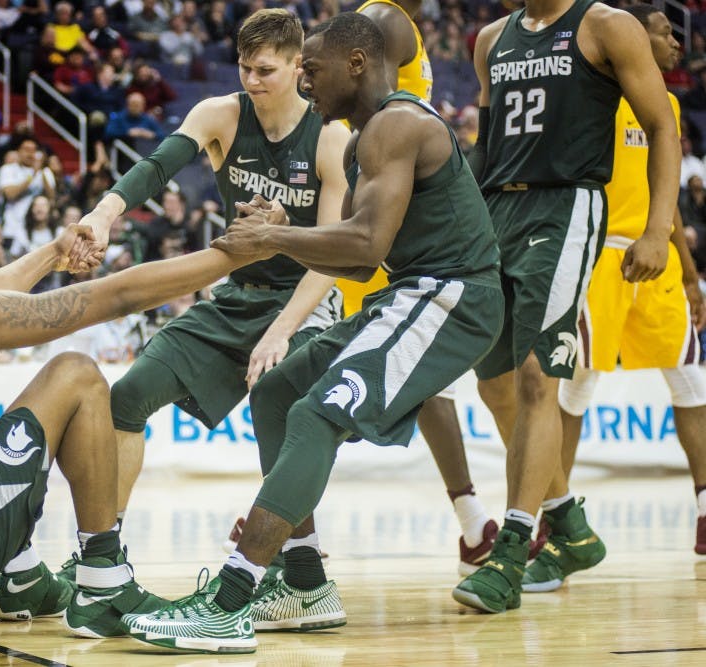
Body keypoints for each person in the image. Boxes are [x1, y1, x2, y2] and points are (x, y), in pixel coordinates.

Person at [123, 13, 503, 653]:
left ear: (356, 63)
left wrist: (272, 236)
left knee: (318, 415)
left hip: (454, 295)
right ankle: (304, 583)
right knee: (276, 392)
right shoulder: (360, 142)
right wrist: (285, 221)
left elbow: (365, 241)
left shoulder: (399, 123)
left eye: (313, 70)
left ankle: (229, 601)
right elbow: (354, 259)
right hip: (409, 291)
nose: (305, 81)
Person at [0, 216, 270, 635]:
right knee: (75, 374)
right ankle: (103, 580)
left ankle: (23, 577)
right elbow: (118, 296)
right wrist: (238, 256)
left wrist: (54, 253)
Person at [73, 6, 349, 595]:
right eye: (245, 67)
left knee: (282, 401)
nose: (250, 80)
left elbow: (331, 256)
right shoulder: (221, 114)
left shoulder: (330, 136)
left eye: (266, 70)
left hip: (303, 298)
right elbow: (156, 168)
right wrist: (103, 214)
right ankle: (102, 558)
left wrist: (280, 331)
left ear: (300, 66)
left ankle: (305, 574)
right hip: (235, 294)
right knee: (126, 397)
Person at [453, 0, 681, 613]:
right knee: (495, 387)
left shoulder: (607, 26)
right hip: (498, 210)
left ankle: (515, 549)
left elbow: (662, 127)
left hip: (567, 208)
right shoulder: (491, 38)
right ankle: (571, 525)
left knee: (537, 377)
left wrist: (657, 230)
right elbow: (488, 141)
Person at [322, 0, 497, 575]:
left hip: (406, 196)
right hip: (376, 187)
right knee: (344, 376)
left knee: (400, 380)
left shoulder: (395, 25)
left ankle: (474, 519)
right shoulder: (375, 24)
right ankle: (298, 523)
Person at [554, 5, 706, 558]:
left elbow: (666, 210)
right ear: (634, 35)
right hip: (602, 255)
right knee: (575, 389)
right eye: (666, 33)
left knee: (691, 382)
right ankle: (554, 515)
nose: (676, 44)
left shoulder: (664, 104)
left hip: (658, 257)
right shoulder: (595, 97)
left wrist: (690, 278)